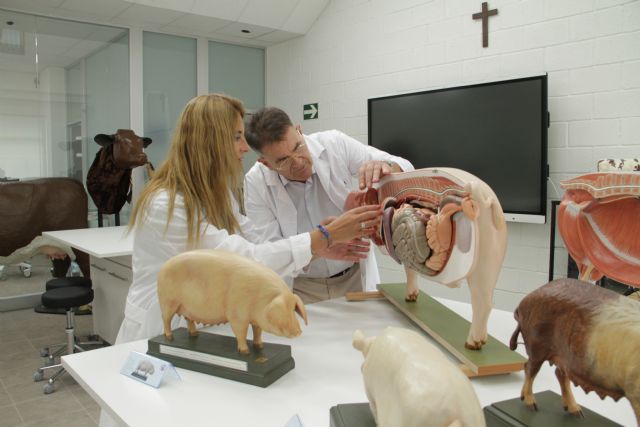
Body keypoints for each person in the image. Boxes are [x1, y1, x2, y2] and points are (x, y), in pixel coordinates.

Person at [116, 94, 381, 345]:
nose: (245, 147)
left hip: (200, 327)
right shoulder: (166, 206)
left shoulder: (216, 196)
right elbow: (246, 260)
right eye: (236, 137)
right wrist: (325, 236)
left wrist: (319, 245)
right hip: (159, 331)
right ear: (209, 142)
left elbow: (258, 240)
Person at [244, 107, 414, 304]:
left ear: (299, 131)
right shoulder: (256, 182)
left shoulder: (334, 144)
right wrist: (317, 248)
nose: (298, 162)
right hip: (301, 287)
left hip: (353, 278)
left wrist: (386, 167)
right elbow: (270, 252)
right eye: (283, 160)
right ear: (266, 163)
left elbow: (404, 166)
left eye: (298, 147)